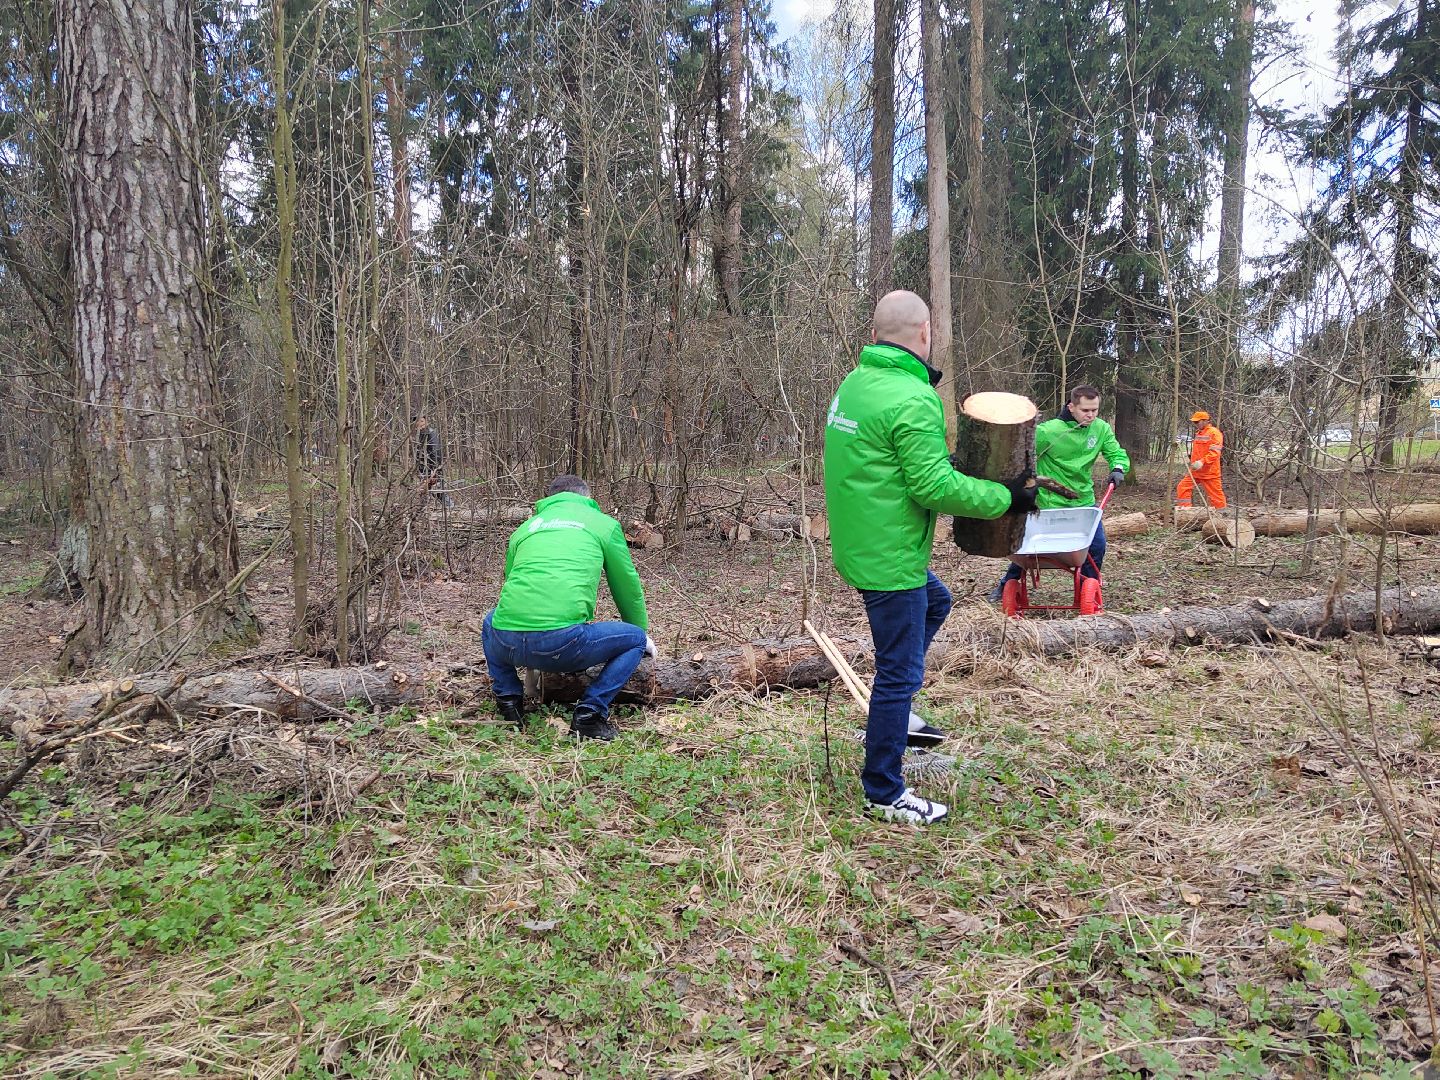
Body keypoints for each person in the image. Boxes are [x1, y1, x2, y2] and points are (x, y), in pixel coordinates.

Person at [824, 290, 1036, 826]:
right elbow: (931, 485)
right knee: (899, 671)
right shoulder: (913, 398)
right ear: (925, 332)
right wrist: (1006, 496)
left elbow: (896, 463)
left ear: (876, 333)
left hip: (861, 544)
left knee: (935, 603)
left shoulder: (856, 383)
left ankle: (894, 718)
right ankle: (884, 790)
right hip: (890, 557)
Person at [481, 474, 656, 741]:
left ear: (550, 500)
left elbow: (511, 585)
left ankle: (508, 700)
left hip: (506, 641)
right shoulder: (603, 525)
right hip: (562, 643)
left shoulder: (525, 528)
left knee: (490, 620)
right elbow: (627, 587)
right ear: (587, 498)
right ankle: (590, 714)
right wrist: (642, 633)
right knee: (634, 639)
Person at [989, 383, 1129, 600]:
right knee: (1027, 549)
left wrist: (1118, 467)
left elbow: (1115, 451)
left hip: (1083, 500)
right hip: (1049, 502)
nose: (1091, 415)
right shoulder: (1049, 431)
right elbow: (1019, 451)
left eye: (1095, 410)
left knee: (1097, 546)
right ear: (1071, 407)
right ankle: (1007, 583)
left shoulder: (1100, 428)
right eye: (1085, 410)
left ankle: (1088, 587)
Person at [1175, 410, 1226, 509]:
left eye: (1197, 422)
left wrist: (1202, 462)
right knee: (1182, 487)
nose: (1196, 424)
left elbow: (1215, 453)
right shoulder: (1199, 433)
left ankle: (1222, 515)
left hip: (1210, 472)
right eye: (1194, 422)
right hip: (1196, 471)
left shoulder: (1214, 433)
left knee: (1216, 496)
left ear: (1205, 421)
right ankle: (1185, 510)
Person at [414, 416, 455, 509]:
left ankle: (451, 507)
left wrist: (434, 469)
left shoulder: (431, 434)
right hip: (423, 468)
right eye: (417, 421)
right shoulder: (419, 435)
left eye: (421, 421)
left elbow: (436, 452)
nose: (419, 423)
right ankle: (421, 511)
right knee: (424, 491)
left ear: (426, 422)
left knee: (437, 489)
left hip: (431, 467)